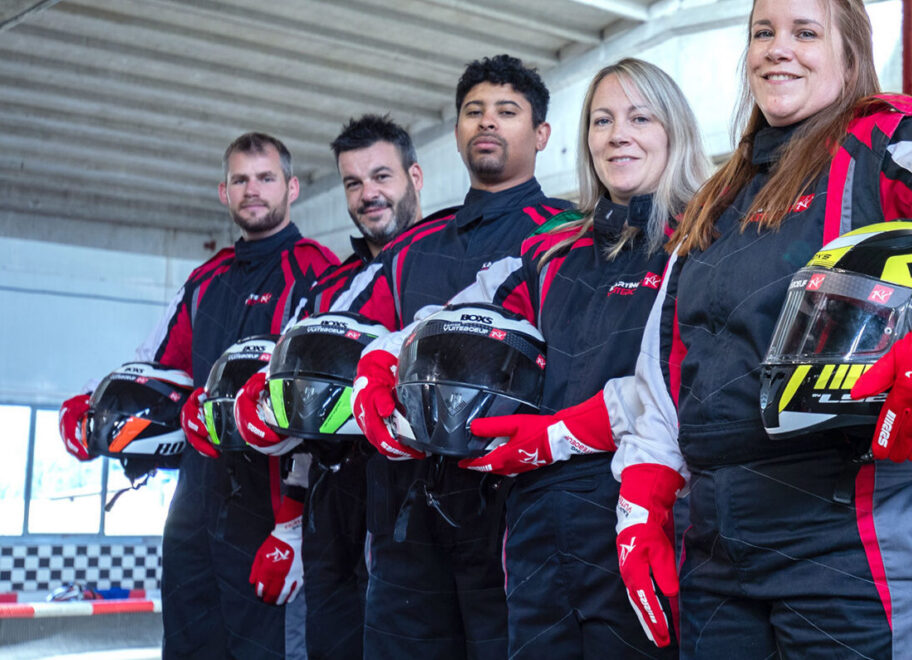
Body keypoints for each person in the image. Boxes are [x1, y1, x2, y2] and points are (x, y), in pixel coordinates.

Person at [607, 1, 912, 658]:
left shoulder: (888, 138)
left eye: (805, 32)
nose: (778, 48)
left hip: (860, 524)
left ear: (850, 56)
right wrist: (646, 492)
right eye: (762, 34)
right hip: (716, 535)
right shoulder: (718, 197)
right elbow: (664, 363)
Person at [363, 58, 707, 658]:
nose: (617, 134)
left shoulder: (704, 240)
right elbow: (456, 314)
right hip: (534, 528)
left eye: (639, 117)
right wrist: (380, 363)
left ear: (673, 129)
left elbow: (688, 384)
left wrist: (559, 435)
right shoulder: (551, 250)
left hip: (646, 518)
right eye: (602, 121)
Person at [59, 133, 339, 659]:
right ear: (223, 192)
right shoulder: (203, 280)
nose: (252, 191)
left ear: (293, 187)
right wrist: (92, 404)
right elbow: (153, 365)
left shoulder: (318, 271)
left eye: (265, 178)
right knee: (187, 646)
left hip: (272, 506)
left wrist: (293, 528)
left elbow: (317, 407)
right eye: (240, 180)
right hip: (194, 501)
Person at [346, 54, 571, 658]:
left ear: (541, 134)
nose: (487, 123)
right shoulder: (408, 247)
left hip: (513, 515)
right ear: (457, 133)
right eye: (474, 112)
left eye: (507, 111)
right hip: (401, 512)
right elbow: (360, 343)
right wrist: (366, 393)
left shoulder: (568, 238)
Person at [229, 113, 439, 659]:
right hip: (334, 505)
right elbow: (294, 415)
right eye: (353, 183)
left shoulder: (446, 268)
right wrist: (291, 525)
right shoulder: (324, 289)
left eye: (381, 177)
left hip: (427, 504)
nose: (369, 194)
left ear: (414, 178)